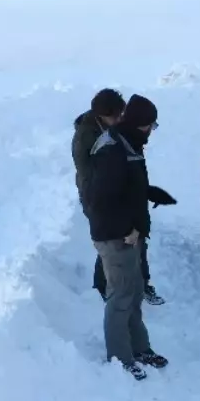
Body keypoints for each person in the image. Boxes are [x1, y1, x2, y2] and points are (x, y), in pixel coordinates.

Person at [85, 93, 169, 380]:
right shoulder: (112, 150)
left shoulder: (128, 143)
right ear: (138, 124)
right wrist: (128, 229)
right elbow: (102, 200)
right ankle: (120, 359)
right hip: (114, 235)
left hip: (129, 234)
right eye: (150, 125)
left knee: (133, 293)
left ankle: (139, 348)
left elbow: (131, 190)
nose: (151, 131)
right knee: (120, 296)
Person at [73, 88, 124, 299]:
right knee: (108, 241)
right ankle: (103, 289)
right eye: (116, 116)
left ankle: (109, 284)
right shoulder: (86, 137)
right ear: (102, 115)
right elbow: (92, 171)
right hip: (95, 196)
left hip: (109, 192)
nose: (119, 119)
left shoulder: (104, 126)